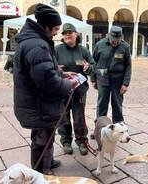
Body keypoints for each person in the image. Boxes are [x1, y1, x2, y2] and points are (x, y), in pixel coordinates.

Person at [13, 3, 77, 174]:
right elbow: (48, 82)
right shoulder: (38, 45)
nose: (57, 32)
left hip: (36, 103)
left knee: (44, 137)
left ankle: (47, 161)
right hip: (39, 105)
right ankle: (41, 172)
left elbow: (43, 72)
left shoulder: (34, 41)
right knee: (42, 140)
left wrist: (61, 73)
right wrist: (69, 83)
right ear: (46, 27)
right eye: (55, 28)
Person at [55, 23, 94, 155]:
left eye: (70, 32)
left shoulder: (83, 50)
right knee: (63, 117)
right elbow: (49, 67)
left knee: (79, 117)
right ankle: (66, 141)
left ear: (76, 34)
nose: (67, 35)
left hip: (79, 92)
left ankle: (82, 141)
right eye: (65, 33)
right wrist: (56, 69)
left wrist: (88, 68)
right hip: (62, 90)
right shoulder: (57, 50)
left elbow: (93, 67)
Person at [91, 26, 131, 126]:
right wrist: (93, 79)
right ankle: (100, 127)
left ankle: (118, 127)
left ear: (121, 38)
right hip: (102, 77)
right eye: (113, 40)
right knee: (102, 104)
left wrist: (125, 84)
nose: (115, 42)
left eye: (117, 40)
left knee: (117, 104)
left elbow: (128, 65)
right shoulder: (99, 45)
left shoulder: (125, 47)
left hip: (118, 79)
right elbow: (93, 62)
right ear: (109, 36)